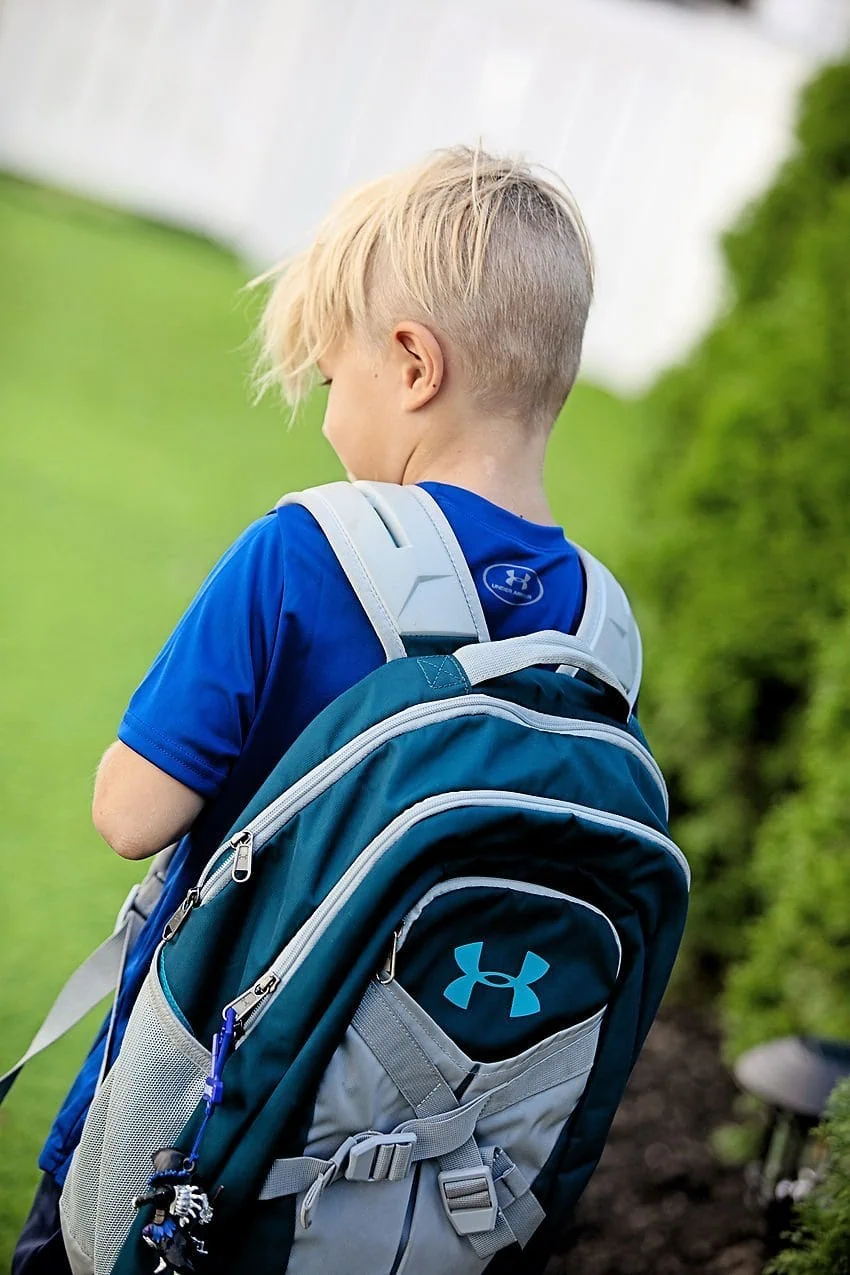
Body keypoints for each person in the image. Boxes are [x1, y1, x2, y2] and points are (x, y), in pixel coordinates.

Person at [14, 144, 595, 1273]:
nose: (328, 422)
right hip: (412, 1168)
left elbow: (131, 813)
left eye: (333, 381)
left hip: (193, 1118)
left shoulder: (299, 554)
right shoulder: (597, 627)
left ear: (411, 365)